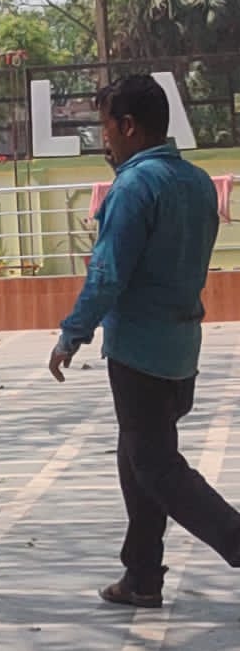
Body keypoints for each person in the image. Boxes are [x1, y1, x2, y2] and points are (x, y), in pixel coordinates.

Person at [50, 74, 240, 608]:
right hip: (182, 349)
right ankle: (141, 574)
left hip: (140, 351)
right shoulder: (198, 182)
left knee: (155, 465)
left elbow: (108, 273)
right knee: (138, 454)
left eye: (105, 127)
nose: (103, 139)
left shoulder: (134, 188)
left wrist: (73, 332)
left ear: (128, 126)